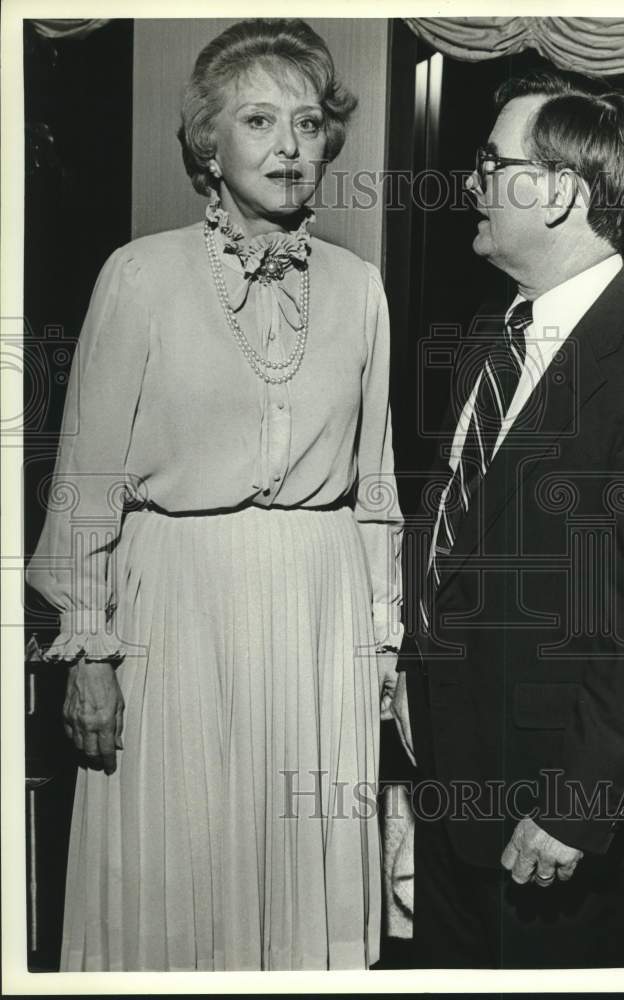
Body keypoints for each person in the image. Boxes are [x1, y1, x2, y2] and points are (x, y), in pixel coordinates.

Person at [26, 18, 403, 971]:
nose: (289, 147)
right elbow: (84, 479)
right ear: (208, 143)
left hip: (320, 619)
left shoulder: (361, 291)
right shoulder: (140, 276)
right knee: (176, 858)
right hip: (176, 610)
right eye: (259, 121)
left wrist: (381, 640)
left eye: (309, 123)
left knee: (301, 863)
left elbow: (376, 490)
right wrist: (90, 649)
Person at [392, 69, 624, 968]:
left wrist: (571, 808)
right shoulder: (489, 339)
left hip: (554, 827)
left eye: (489, 163)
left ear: (557, 195)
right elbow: (453, 537)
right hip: (455, 798)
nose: (469, 182)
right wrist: (410, 673)